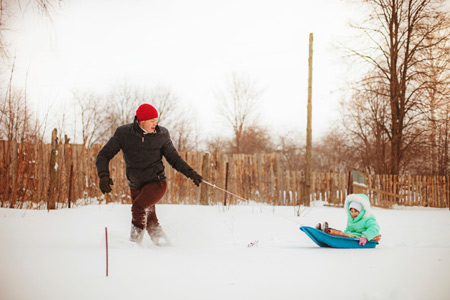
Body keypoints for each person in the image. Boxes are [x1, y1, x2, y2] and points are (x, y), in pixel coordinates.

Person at [96, 103, 203, 246]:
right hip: (135, 185)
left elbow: (174, 158)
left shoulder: (162, 135)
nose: (155, 124)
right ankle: (164, 246)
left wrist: (191, 173)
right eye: (152, 120)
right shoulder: (123, 134)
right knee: (150, 219)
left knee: (138, 207)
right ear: (142, 120)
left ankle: (134, 244)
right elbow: (104, 155)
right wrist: (103, 175)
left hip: (156, 182)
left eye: (156, 120)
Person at [316, 193, 381, 245]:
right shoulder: (351, 218)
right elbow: (348, 228)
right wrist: (344, 234)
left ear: (361, 211)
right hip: (350, 236)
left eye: (356, 211)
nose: (353, 214)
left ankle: (327, 232)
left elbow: (375, 228)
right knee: (340, 234)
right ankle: (323, 231)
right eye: (351, 211)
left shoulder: (368, 218)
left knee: (340, 234)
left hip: (358, 237)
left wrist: (365, 236)